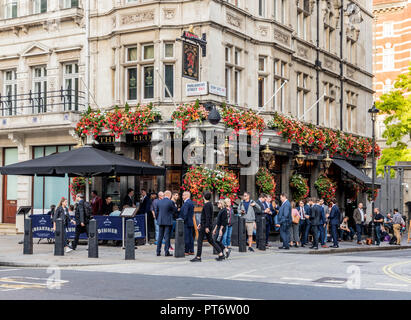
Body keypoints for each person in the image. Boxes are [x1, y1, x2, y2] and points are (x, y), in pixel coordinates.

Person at [191, 192, 225, 262]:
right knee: (211, 240)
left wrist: (206, 227)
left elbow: (208, 216)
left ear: (203, 197)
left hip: (205, 226)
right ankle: (221, 254)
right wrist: (201, 223)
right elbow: (207, 216)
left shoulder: (207, 205)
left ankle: (198, 257)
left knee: (199, 241)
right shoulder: (210, 204)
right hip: (206, 225)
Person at [155, 191, 177, 256]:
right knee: (167, 237)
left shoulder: (159, 202)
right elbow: (174, 210)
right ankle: (166, 252)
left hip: (161, 221)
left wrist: (158, 219)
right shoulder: (171, 202)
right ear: (169, 195)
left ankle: (158, 252)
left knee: (160, 237)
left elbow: (156, 212)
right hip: (168, 221)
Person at [179, 191, 195, 256]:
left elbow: (185, 214)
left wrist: (182, 220)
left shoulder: (186, 203)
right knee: (190, 237)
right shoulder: (191, 202)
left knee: (186, 237)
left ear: (187, 196)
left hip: (186, 222)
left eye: (183, 195)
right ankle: (191, 250)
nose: (182, 197)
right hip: (190, 222)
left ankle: (186, 251)